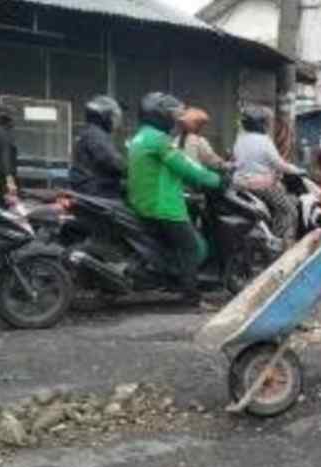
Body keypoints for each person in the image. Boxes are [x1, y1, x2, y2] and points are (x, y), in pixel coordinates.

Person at [127, 92, 223, 307]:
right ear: (160, 116)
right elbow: (186, 167)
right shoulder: (160, 141)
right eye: (172, 115)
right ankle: (192, 298)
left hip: (143, 202)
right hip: (163, 206)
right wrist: (218, 181)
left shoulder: (141, 136)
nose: (175, 120)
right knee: (194, 248)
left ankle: (172, 278)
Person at [232, 105, 302, 243]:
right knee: (289, 211)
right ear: (260, 123)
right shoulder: (263, 141)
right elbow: (278, 164)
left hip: (239, 183)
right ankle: (280, 242)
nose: (268, 124)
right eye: (265, 122)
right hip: (261, 185)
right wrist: (296, 170)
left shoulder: (240, 139)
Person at [69, 95, 127, 200]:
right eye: (112, 117)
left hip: (89, 189)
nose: (115, 122)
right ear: (103, 117)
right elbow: (114, 162)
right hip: (97, 193)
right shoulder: (96, 135)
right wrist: (129, 169)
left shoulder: (89, 132)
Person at [174, 107, 229, 171]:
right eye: (202, 125)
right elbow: (211, 159)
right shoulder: (198, 141)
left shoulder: (177, 139)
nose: (204, 128)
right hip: (194, 176)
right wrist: (225, 165)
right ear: (197, 126)